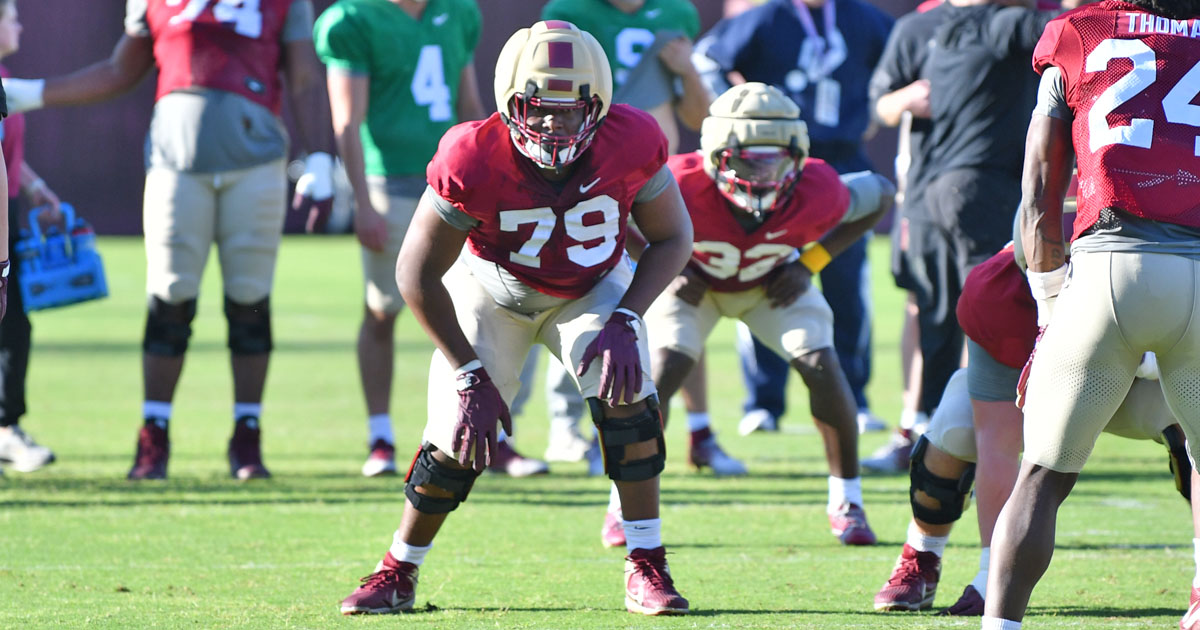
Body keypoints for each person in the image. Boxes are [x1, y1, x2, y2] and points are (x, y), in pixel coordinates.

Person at [337, 21, 693, 616]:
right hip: (493, 289)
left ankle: (646, 564)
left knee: (629, 402)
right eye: (539, 108)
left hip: (592, 287)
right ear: (510, 102)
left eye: (571, 110)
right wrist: (468, 373)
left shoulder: (632, 140)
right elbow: (415, 274)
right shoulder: (471, 153)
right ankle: (398, 570)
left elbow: (673, 236)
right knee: (454, 436)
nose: (555, 124)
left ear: (597, 107)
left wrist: (628, 316)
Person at [2, 0, 333, 480]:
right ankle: (154, 433)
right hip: (174, 162)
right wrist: (30, 93)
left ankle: (247, 435)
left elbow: (303, 74)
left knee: (250, 300)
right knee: (169, 298)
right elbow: (121, 69)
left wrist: (320, 153)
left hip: (256, 160)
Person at [984, 0, 1200, 626]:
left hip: (1109, 266)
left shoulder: (1081, 32)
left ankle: (1000, 624)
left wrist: (1051, 303)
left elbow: (1039, 187)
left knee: (1043, 475)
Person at [873, 242, 1199, 616]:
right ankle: (923, 554)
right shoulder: (1000, 292)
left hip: (1140, 388)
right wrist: (988, 575)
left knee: (1194, 429)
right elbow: (997, 440)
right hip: (1044, 386)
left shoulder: (1161, 269)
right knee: (957, 424)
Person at [640, 82, 892, 546]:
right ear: (716, 154)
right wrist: (666, 262)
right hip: (696, 287)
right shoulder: (678, 182)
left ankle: (847, 499)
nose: (760, 175)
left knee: (820, 362)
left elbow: (880, 193)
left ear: (796, 155)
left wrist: (812, 262)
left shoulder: (819, 188)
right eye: (746, 159)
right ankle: (625, 506)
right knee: (663, 369)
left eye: (773, 159)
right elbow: (619, 212)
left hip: (768, 286)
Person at [312, 0, 542, 478]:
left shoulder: (456, 12)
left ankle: (491, 436)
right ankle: (380, 435)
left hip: (459, 188)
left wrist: (502, 179)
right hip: (390, 184)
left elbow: (470, 106)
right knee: (383, 310)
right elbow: (347, 122)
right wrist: (361, 201)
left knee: (489, 308)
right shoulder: (353, 19)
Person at [864, 0, 1060, 473]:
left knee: (947, 317)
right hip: (956, 190)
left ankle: (932, 439)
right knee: (968, 314)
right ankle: (968, 436)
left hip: (944, 192)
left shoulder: (990, 23)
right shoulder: (945, 26)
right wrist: (903, 100)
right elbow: (878, 105)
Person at [534, 0, 721, 472]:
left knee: (682, 306)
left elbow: (700, 118)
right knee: (567, 297)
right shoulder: (568, 11)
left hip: (654, 186)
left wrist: (689, 70)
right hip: (584, 185)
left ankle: (698, 432)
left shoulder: (675, 13)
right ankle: (566, 426)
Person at [693, 0, 895, 438]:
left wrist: (875, 105)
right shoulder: (767, 16)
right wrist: (734, 109)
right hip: (769, 168)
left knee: (847, 288)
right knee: (762, 279)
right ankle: (763, 403)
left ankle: (855, 398)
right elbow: (706, 57)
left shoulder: (865, 17)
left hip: (839, 161)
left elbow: (900, 59)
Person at [0, 0, 54, 475]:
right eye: (9, 16)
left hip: (9, 208)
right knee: (11, 326)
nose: (18, 24)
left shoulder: (4, 80)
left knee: (13, 324)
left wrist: (33, 186)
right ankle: (5, 430)